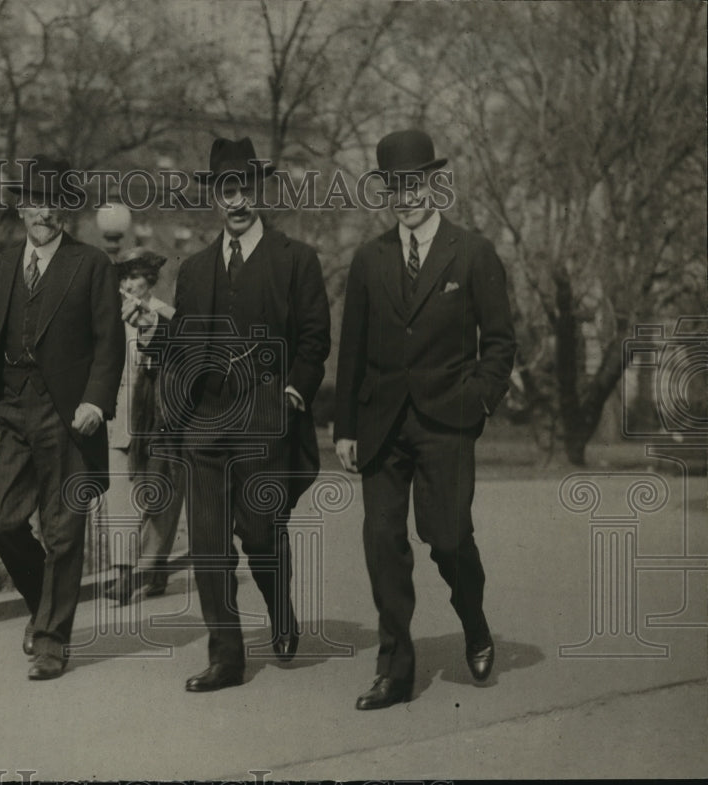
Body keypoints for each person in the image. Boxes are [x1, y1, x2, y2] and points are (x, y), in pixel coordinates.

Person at [126, 137, 331, 692]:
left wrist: (292, 394)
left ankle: (280, 609)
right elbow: (189, 343)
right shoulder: (193, 270)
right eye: (225, 189)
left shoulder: (296, 260)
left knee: (260, 533)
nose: (236, 200)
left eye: (244, 187)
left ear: (257, 190)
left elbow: (314, 340)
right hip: (204, 424)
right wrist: (157, 338)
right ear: (215, 195)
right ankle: (227, 657)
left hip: (266, 421)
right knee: (211, 543)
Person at [333, 129, 516, 709]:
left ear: (435, 183)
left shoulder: (472, 251)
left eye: (415, 183)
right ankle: (395, 670)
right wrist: (343, 428)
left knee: (448, 538)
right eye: (395, 186)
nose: (406, 195)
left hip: (447, 422)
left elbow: (502, 342)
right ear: (386, 191)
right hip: (381, 424)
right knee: (383, 541)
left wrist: (479, 401)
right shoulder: (369, 259)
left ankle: (474, 620)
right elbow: (353, 348)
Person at [0, 153, 124, 681]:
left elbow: (108, 342)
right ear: (20, 207)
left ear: (66, 210)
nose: (41, 213)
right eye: (33, 203)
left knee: (64, 532)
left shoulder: (90, 264)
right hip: (9, 408)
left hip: (67, 414)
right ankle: (42, 605)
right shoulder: (2, 266)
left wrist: (96, 401)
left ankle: (51, 641)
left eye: (52, 204)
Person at [102, 247, 186, 604]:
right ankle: (123, 574)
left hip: (160, 419)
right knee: (119, 498)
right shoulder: (110, 318)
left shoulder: (167, 315)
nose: (128, 284)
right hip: (121, 418)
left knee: (159, 496)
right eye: (124, 277)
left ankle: (153, 567)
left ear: (149, 280)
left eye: (135, 277)